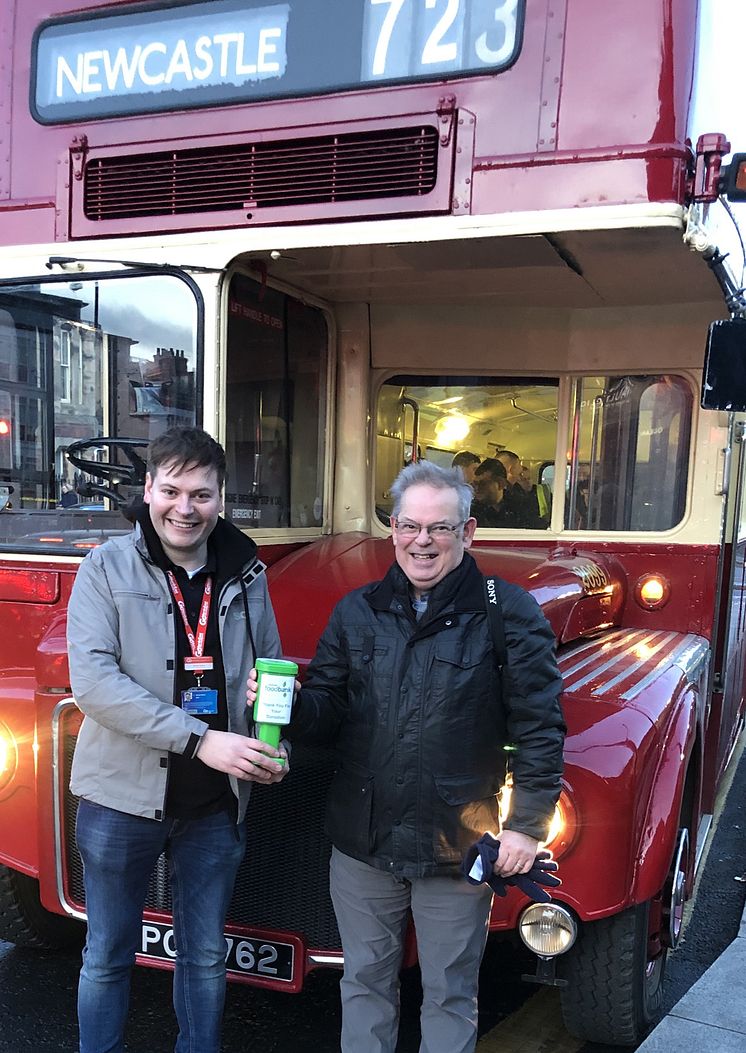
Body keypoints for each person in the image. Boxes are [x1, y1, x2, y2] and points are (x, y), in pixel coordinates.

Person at [249, 461, 565, 1053]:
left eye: (439, 528)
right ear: (392, 528)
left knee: (449, 991)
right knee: (364, 982)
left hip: (457, 843)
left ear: (467, 532)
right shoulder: (356, 610)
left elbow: (540, 727)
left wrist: (526, 827)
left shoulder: (508, 613)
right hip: (363, 844)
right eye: (410, 525)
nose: (423, 541)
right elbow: (327, 714)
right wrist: (290, 705)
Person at [67, 426, 289, 1053]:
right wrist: (202, 741)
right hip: (119, 801)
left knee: (204, 959)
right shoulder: (104, 567)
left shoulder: (248, 574)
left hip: (216, 806)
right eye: (171, 490)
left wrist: (272, 744)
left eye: (201, 494)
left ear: (222, 497)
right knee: (108, 955)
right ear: (148, 489)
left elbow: (270, 671)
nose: (184, 508)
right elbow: (95, 684)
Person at [495, 449, 547, 528]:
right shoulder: (508, 495)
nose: (521, 469)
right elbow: (526, 518)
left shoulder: (517, 489)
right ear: (511, 469)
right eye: (519, 465)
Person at [470, 457, 514, 527]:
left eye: (483, 484)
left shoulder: (520, 508)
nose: (477, 489)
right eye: (475, 484)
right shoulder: (470, 512)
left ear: (501, 484)